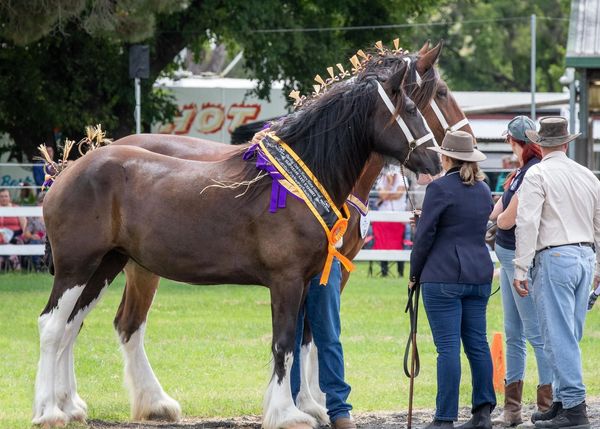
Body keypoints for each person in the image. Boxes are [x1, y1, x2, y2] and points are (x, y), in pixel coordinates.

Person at [513, 116, 599, 429]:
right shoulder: (587, 175)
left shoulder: (537, 175)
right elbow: (599, 224)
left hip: (555, 256)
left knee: (558, 336)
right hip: (584, 256)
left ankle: (574, 407)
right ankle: (563, 400)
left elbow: (528, 222)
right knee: (570, 333)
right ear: (566, 142)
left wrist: (520, 266)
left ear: (539, 143)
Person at [410, 130, 496, 429]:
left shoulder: (439, 188)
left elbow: (425, 237)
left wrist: (413, 274)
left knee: (447, 348)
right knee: (478, 344)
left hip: (443, 275)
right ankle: (483, 412)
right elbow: (462, 223)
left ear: (445, 157)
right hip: (478, 273)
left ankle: (444, 417)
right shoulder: (484, 189)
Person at [488, 116, 552, 426]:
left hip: (520, 258)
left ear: (517, 143)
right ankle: (512, 407)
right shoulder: (517, 175)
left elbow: (505, 219)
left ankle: (546, 404)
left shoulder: (530, 175)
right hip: (508, 257)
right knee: (514, 332)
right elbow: (497, 210)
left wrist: (497, 221)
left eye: (510, 142)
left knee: (534, 333)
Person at [291, 258, 354, 429]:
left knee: (330, 338)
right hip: (291, 262)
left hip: (325, 259)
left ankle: (339, 410)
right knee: (291, 339)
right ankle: (291, 405)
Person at [372, 168, 408, 277]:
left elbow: (399, 195)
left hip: (399, 216)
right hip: (382, 216)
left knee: (398, 244)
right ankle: (384, 272)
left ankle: (400, 272)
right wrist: (390, 184)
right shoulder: (381, 180)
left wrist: (387, 194)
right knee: (383, 243)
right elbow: (383, 196)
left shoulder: (403, 179)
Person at [0, 188, 27, 270]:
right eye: (1, 196)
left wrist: (23, 235)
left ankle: (14, 263)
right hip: (0, 235)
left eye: (6, 196)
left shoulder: (16, 208)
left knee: (17, 241)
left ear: (9, 198)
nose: (4, 198)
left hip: (15, 234)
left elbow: (24, 224)